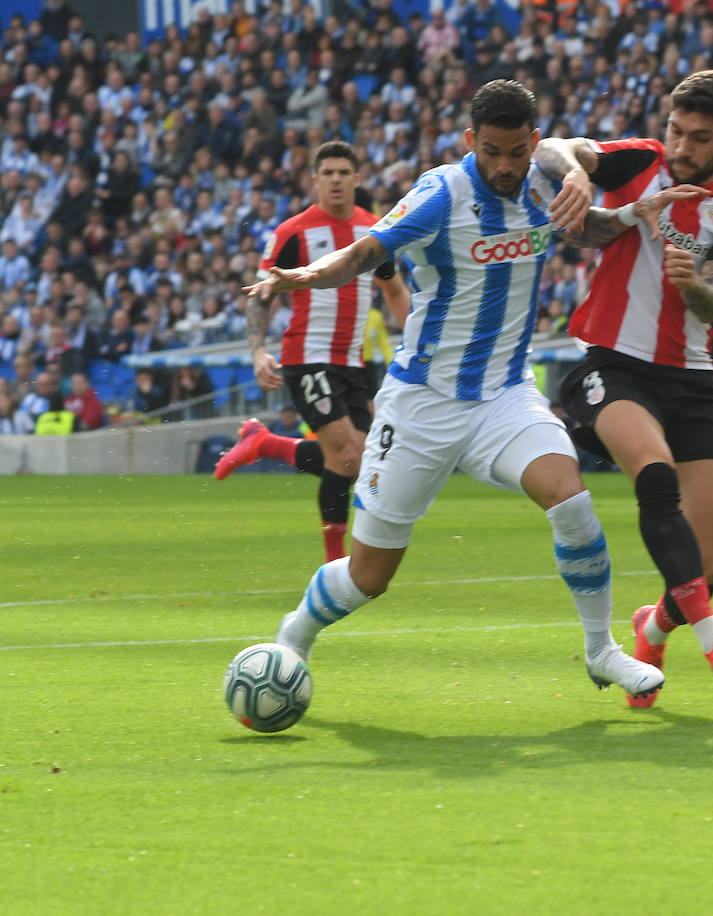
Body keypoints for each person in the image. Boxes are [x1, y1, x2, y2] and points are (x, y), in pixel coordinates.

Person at [241, 80, 662, 699]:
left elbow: (588, 229)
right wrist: (300, 276)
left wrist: (632, 215)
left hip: (504, 397)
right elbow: (364, 253)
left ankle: (601, 651)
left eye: (515, 152)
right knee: (369, 575)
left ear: (533, 144)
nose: (502, 165)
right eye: (490, 150)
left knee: (570, 501)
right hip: (422, 403)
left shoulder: (543, 184)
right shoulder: (442, 192)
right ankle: (294, 635)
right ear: (470, 141)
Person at [532, 70, 713, 706]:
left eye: (699, 137)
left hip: (692, 379)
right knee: (655, 473)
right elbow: (548, 146)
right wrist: (579, 173)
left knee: (709, 561)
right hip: (612, 364)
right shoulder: (638, 161)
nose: (682, 147)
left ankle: (654, 627)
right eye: (676, 129)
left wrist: (694, 282)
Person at [215, 141, 412, 563]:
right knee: (345, 455)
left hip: (353, 363)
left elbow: (393, 289)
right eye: (329, 173)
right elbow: (260, 296)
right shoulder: (293, 232)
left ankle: (263, 443)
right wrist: (258, 352)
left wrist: (419, 340)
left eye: (345, 172)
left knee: (357, 463)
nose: (337, 180)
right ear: (316, 180)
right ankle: (334, 566)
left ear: (357, 179)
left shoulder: (375, 230)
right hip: (307, 357)